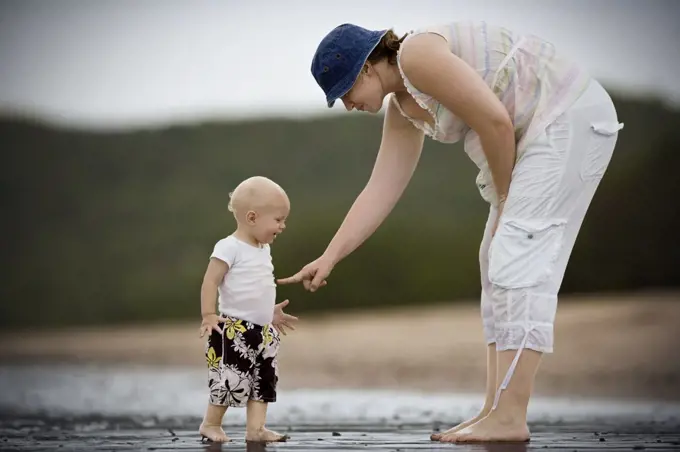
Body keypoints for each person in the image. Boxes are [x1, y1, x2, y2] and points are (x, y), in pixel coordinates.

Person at [277, 21, 623, 443]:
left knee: (516, 256)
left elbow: (495, 122)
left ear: (366, 68)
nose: (347, 104)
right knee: (493, 260)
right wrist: (330, 255)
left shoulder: (416, 56)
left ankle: (510, 417)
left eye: (345, 92)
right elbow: (381, 188)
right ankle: (494, 410)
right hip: (535, 136)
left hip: (566, 116)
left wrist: (504, 202)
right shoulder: (402, 109)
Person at [197, 176, 298, 443]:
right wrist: (208, 314)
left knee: (262, 382)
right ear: (252, 217)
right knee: (230, 379)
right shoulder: (229, 246)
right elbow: (211, 281)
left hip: (263, 330)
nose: (283, 226)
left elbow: (256, 289)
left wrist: (270, 312)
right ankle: (211, 424)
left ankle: (256, 430)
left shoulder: (263, 248)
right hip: (233, 329)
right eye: (278, 220)